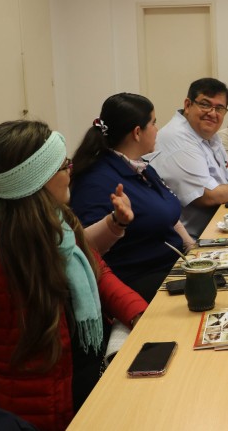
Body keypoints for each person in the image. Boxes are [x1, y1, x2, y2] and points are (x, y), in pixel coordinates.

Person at [0, 120, 147, 431]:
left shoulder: (56, 218)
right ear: (38, 181)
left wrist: (140, 314)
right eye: (63, 165)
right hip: (37, 409)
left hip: (83, 374)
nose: (71, 170)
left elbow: (96, 270)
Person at [70, 93, 196, 302]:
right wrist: (115, 221)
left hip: (171, 267)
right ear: (137, 132)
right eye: (154, 123)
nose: (157, 129)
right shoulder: (96, 180)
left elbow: (169, 214)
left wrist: (191, 247)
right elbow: (86, 248)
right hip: (139, 280)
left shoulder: (140, 167)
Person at [151, 78, 228, 238]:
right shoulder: (178, 138)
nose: (212, 113)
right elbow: (209, 196)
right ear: (188, 105)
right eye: (205, 104)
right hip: (191, 240)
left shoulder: (207, 133)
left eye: (219, 108)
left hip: (217, 225)